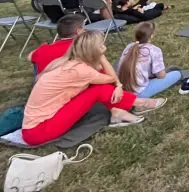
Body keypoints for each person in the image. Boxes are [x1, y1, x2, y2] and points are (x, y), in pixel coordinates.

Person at [21, 31, 166, 146]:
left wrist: (119, 85)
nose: (104, 45)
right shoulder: (80, 70)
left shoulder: (67, 63)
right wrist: (103, 59)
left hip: (37, 126)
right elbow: (111, 77)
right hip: (39, 131)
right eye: (101, 44)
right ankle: (138, 104)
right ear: (93, 50)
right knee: (99, 89)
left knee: (98, 86)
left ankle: (119, 111)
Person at [117, 21, 189, 97]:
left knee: (171, 69)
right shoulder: (154, 50)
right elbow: (161, 76)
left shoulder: (129, 47)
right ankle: (185, 76)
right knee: (177, 73)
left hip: (121, 89)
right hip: (137, 94)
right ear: (151, 35)